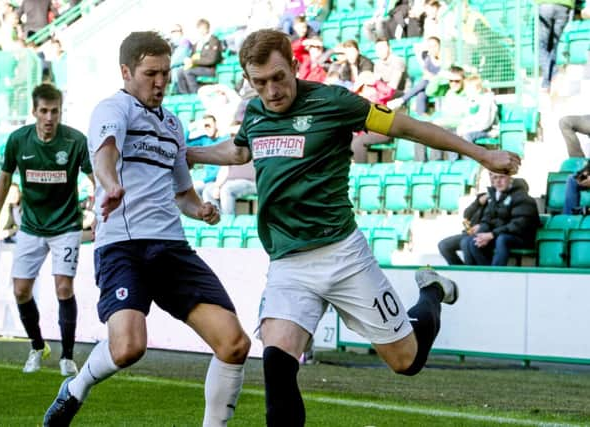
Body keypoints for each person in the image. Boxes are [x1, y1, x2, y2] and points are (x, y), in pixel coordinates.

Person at [185, 29, 520, 426]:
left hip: (343, 255)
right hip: (288, 264)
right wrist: (191, 153)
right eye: (259, 83)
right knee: (277, 363)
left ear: (294, 67)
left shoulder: (334, 102)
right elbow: (240, 148)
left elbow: (407, 127)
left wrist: (481, 154)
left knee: (406, 362)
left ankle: (430, 291)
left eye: (279, 77)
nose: (271, 91)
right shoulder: (256, 113)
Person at [43, 31, 250, 427]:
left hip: (171, 248)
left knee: (235, 344)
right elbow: (105, 153)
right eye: (151, 73)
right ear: (126, 71)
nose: (160, 83)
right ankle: (75, 388)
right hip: (124, 246)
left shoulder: (173, 125)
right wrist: (110, 184)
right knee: (127, 348)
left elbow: (183, 193)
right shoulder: (112, 109)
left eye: (166, 74)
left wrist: (200, 208)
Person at [0, 83, 93, 376]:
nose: (49, 117)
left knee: (63, 287)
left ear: (61, 111)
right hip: (31, 226)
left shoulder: (75, 141)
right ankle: (37, 346)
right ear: (34, 111)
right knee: (21, 290)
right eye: (44, 111)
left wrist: (100, 206)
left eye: (55, 111)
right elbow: (5, 179)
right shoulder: (18, 140)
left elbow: (94, 174)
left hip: (66, 225)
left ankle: (67, 357)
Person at [461, 173, 540, 266]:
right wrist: (482, 228)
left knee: (502, 239)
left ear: (510, 179)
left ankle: (494, 274)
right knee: (472, 241)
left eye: (502, 177)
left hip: (523, 237)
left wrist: (492, 234)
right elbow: (489, 218)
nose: (498, 181)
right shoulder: (497, 196)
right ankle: (479, 274)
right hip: (501, 233)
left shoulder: (523, 198)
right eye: (495, 178)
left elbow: (518, 225)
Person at [437, 192, 488, 265]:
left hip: (484, 233)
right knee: (443, 245)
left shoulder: (499, 199)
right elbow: (466, 214)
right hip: (469, 233)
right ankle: (459, 270)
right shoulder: (482, 197)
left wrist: (481, 227)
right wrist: (478, 203)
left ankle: (467, 271)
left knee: (465, 242)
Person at [176, 18, 224, 94]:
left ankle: (195, 93)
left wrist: (193, 61)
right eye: (199, 28)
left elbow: (212, 59)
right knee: (179, 71)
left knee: (188, 71)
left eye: (202, 28)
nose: (200, 30)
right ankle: (184, 94)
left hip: (210, 69)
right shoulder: (198, 42)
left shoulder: (214, 41)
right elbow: (192, 56)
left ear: (207, 29)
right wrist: (188, 60)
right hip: (197, 67)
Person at [536, 0, 574, 91]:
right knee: (555, 45)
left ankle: (551, 77)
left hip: (544, 5)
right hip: (565, 6)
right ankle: (549, 81)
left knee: (540, 45)